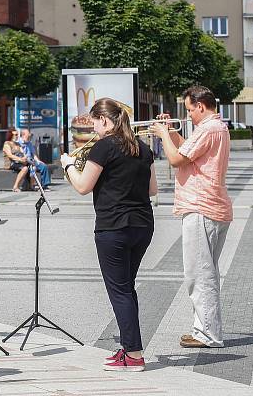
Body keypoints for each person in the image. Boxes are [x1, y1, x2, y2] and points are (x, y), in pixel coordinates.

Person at [61, 98, 157, 372]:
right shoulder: (143, 147)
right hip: (142, 225)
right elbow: (152, 189)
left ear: (104, 120)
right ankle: (129, 347)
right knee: (126, 288)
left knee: (120, 291)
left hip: (113, 226)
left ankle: (135, 356)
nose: (93, 128)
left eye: (94, 122)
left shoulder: (104, 147)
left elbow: (82, 186)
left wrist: (69, 165)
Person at [150, 86, 232, 349]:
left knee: (200, 274)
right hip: (211, 205)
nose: (189, 115)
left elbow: (175, 159)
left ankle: (208, 334)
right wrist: (172, 130)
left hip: (201, 206)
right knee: (204, 272)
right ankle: (202, 329)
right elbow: (187, 151)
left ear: (200, 105)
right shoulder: (215, 127)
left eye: (189, 110)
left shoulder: (209, 128)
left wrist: (162, 134)